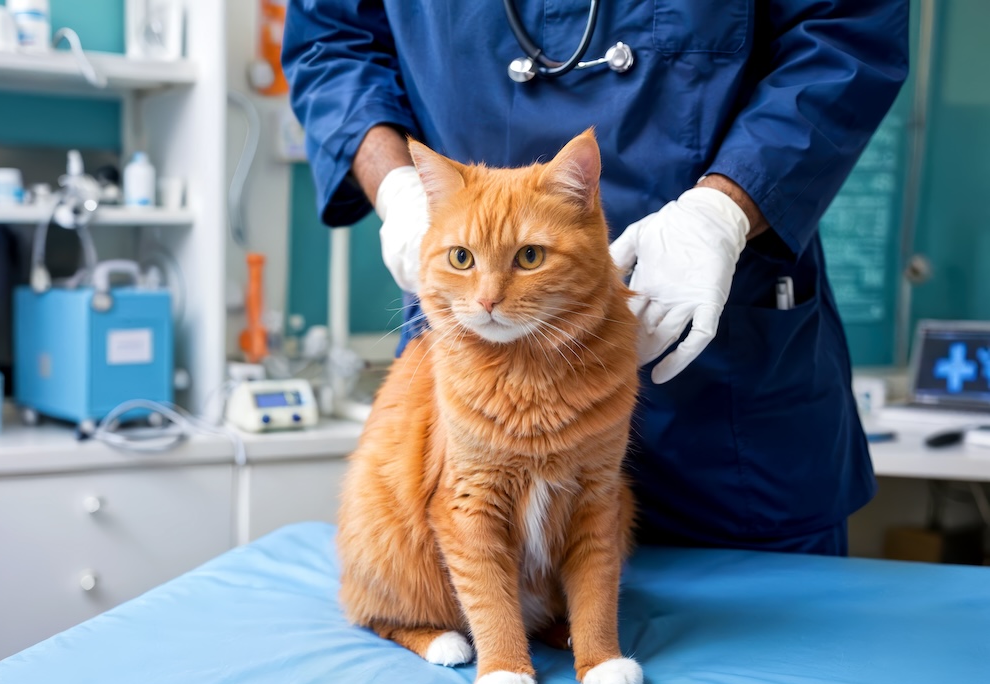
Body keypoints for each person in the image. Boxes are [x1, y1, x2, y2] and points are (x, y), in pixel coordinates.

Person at [282, 1, 909, 556]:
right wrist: (399, 188)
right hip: (474, 379)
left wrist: (723, 211)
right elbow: (329, 41)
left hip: (730, 412)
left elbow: (845, 32)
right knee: (470, 579)